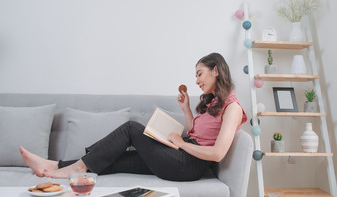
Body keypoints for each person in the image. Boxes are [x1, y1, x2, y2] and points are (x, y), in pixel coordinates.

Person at [20, 52, 247, 181]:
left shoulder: (233, 107)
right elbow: (196, 134)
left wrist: (180, 143)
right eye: (196, 75)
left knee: (131, 128)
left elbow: (217, 154)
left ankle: (76, 168)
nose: (197, 81)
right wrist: (187, 109)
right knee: (118, 159)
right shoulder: (213, 103)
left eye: (200, 74)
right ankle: (53, 165)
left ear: (216, 70)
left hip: (187, 166)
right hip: (180, 157)